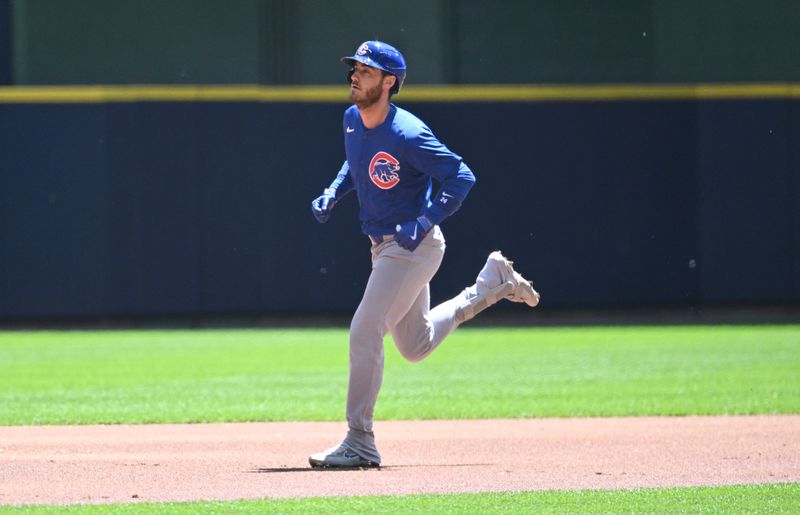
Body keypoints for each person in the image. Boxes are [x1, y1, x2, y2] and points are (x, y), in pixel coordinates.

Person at [308, 41, 540, 468]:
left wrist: (425, 219)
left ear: (389, 81)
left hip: (411, 247)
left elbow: (461, 175)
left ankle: (360, 440)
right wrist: (333, 192)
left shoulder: (408, 133)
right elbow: (353, 165)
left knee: (364, 330)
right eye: (354, 68)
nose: (355, 75)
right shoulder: (352, 120)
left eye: (366, 70)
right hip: (383, 248)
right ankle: (492, 284)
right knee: (415, 345)